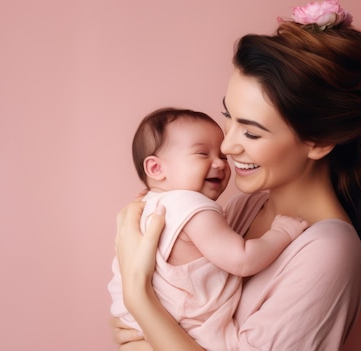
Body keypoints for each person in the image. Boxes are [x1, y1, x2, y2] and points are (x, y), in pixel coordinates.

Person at [112, 1, 361, 350]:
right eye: (229, 116)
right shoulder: (245, 208)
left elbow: (140, 331)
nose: (226, 146)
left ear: (318, 142)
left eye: (252, 133)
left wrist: (138, 296)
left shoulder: (329, 251)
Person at [108, 107, 309, 351]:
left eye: (222, 156)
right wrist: (282, 233)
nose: (220, 163)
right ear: (156, 168)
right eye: (202, 154)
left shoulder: (144, 207)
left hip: (139, 327)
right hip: (187, 329)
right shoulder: (192, 206)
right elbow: (242, 259)